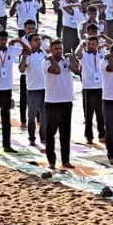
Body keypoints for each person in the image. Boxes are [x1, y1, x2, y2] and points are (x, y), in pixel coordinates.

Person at [41, 39, 75, 170]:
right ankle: (52, 161)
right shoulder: (45, 62)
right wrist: (53, 60)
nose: (59, 51)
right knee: (51, 133)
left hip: (67, 100)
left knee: (65, 132)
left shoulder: (66, 60)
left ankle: (65, 160)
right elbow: (56, 71)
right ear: (51, 50)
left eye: (60, 48)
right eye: (56, 49)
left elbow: (76, 69)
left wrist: (71, 58)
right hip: (52, 101)